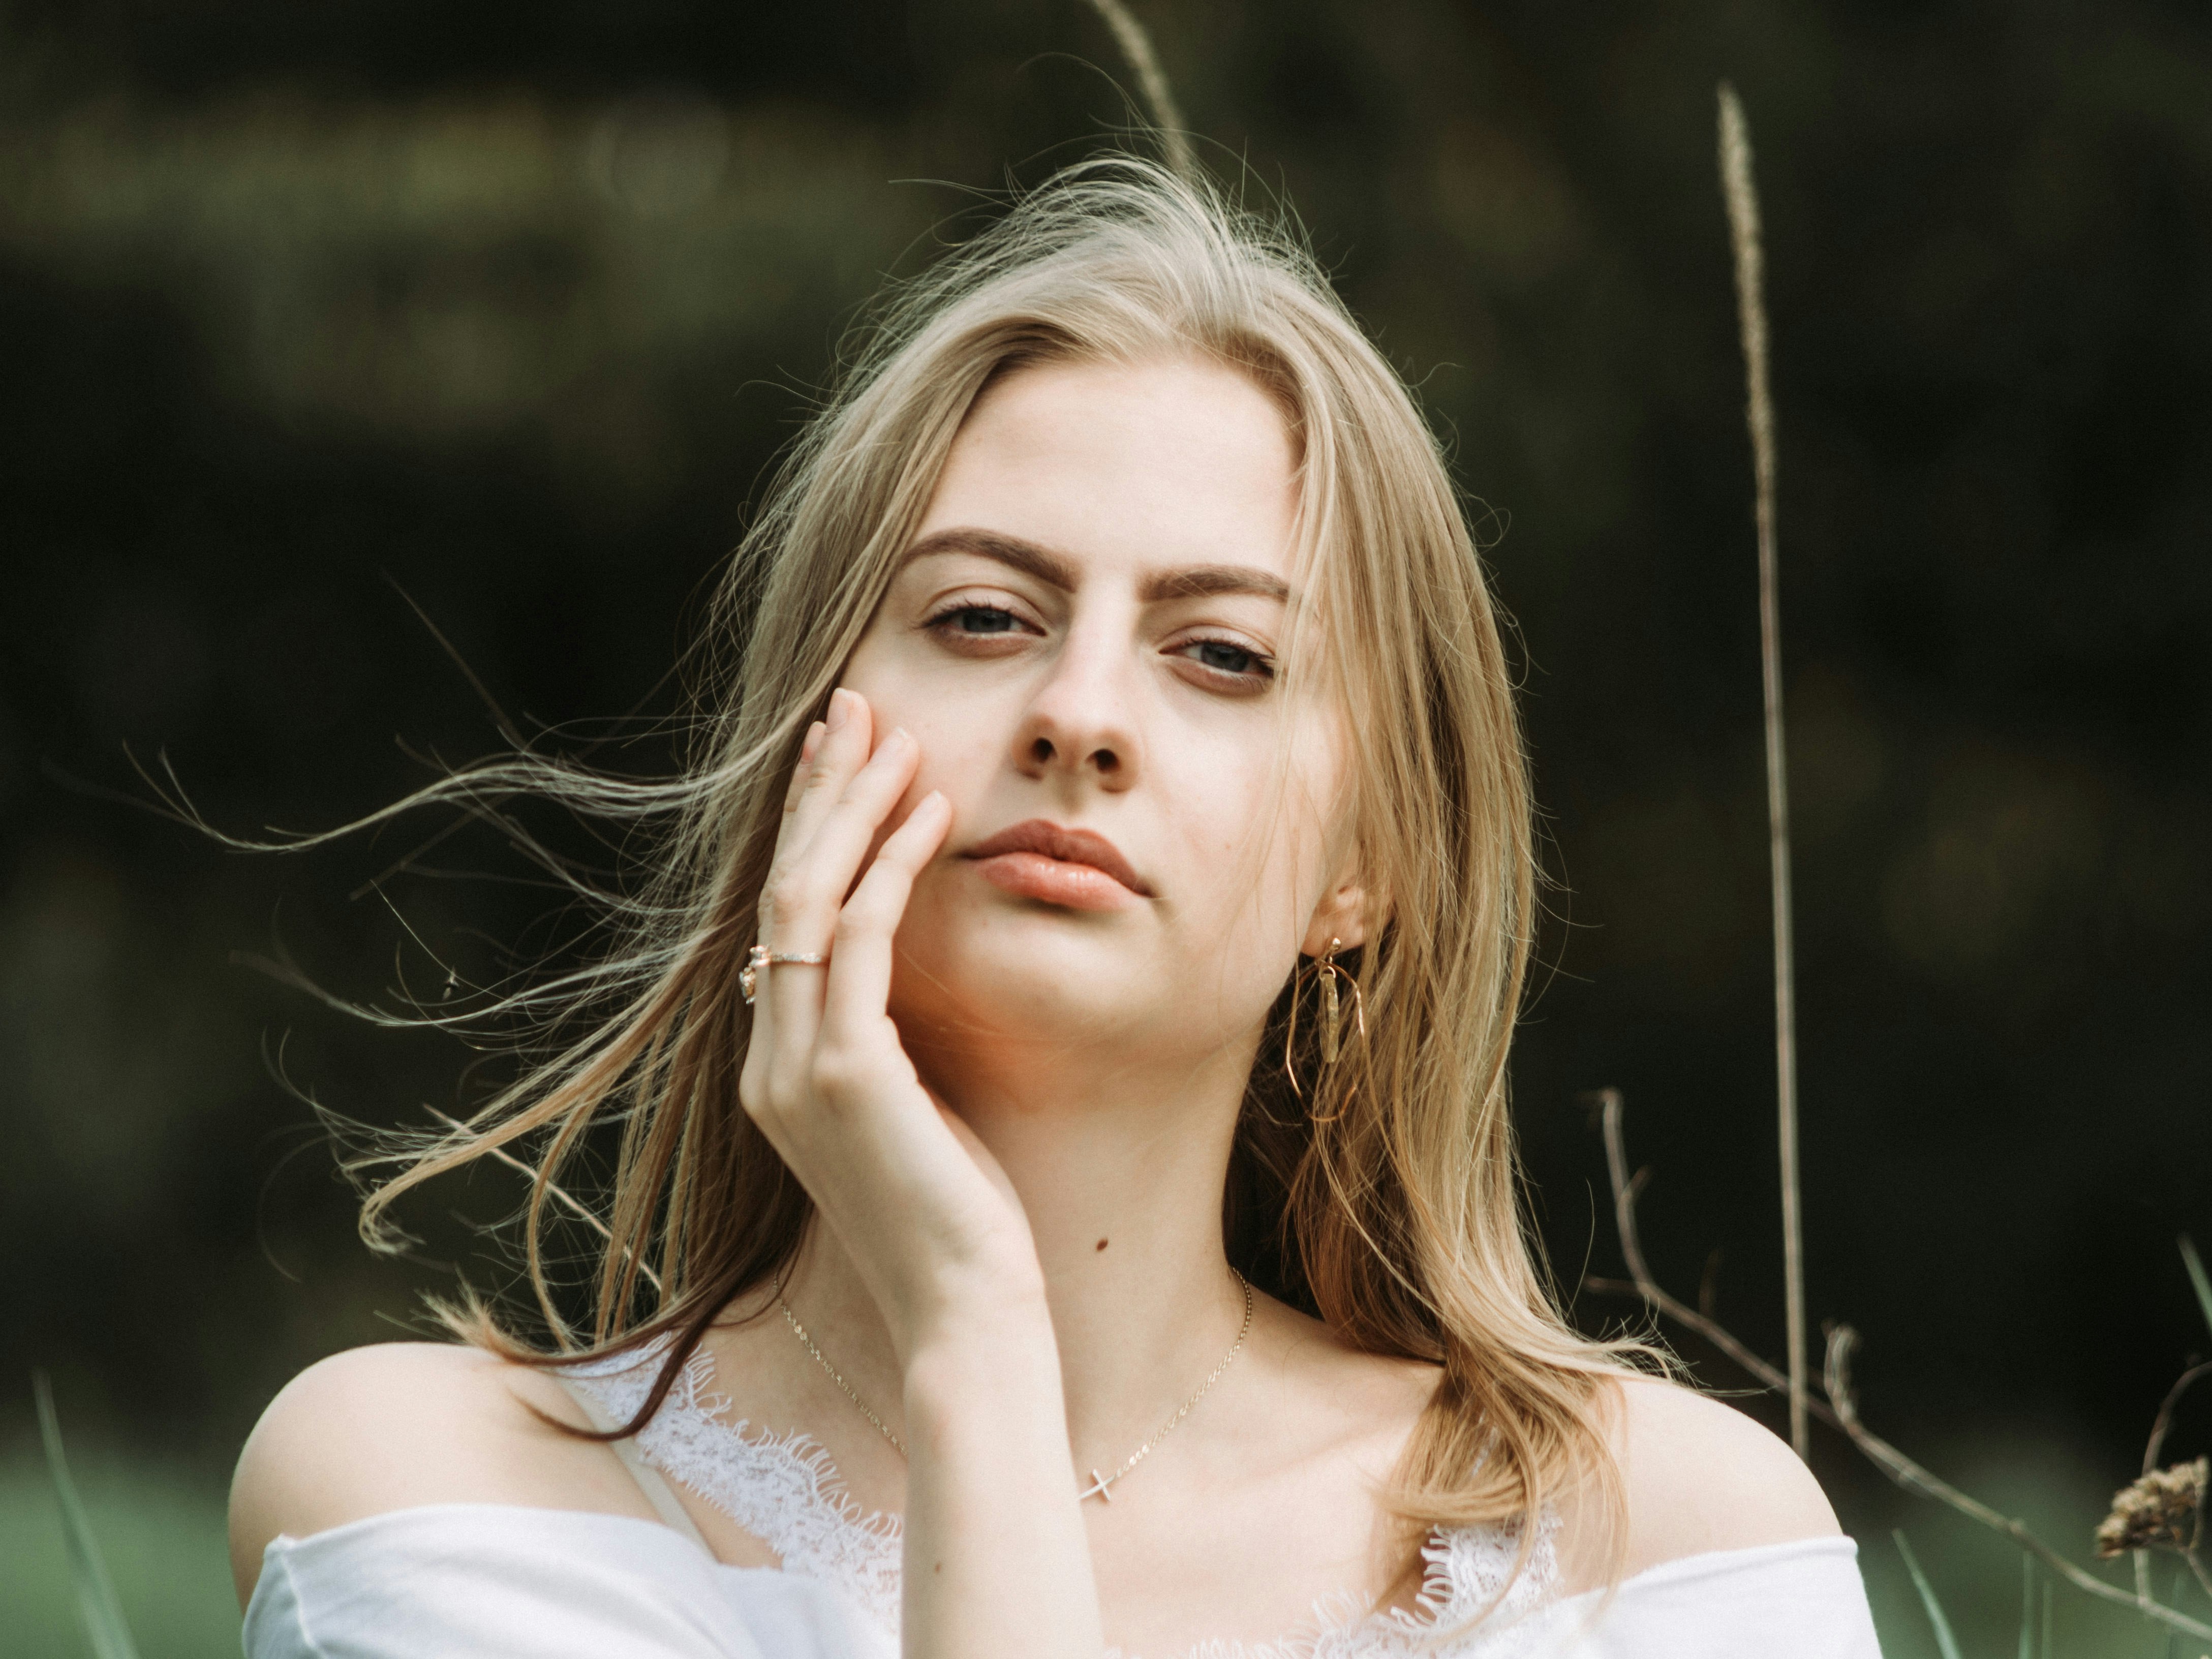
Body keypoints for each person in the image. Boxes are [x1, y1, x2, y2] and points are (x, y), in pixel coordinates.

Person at [225, 160, 1883, 1657]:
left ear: (1362, 868)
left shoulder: (1655, 1556)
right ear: (810, 742)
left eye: (1222, 654)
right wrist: (976, 1337)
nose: (1079, 712)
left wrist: (969, 1335)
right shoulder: (436, 1494)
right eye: (981, 615)